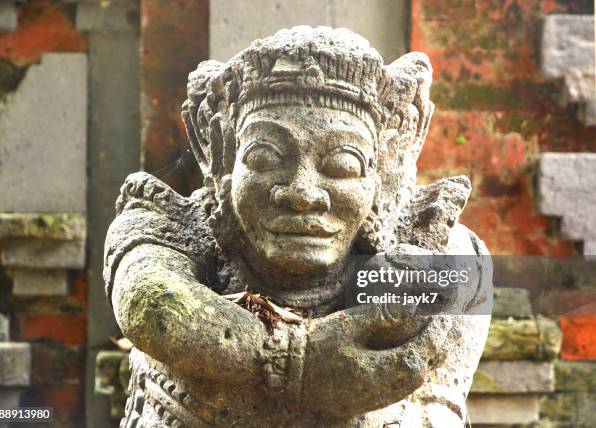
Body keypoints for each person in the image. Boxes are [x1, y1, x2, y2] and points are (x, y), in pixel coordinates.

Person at [104, 26, 491, 427]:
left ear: (383, 176)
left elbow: (435, 405)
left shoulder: (439, 253)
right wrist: (296, 360)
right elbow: (153, 307)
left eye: (341, 166)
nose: (302, 194)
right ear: (224, 161)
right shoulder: (172, 230)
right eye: (265, 159)